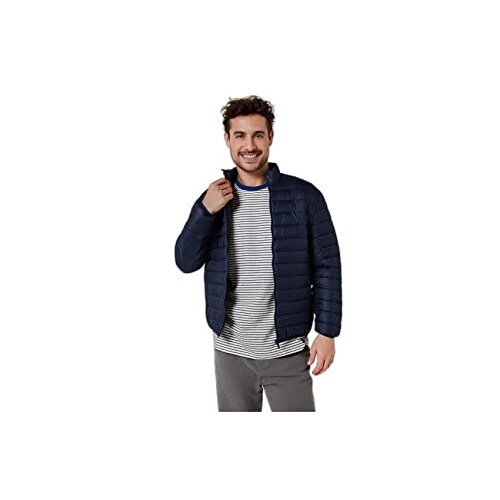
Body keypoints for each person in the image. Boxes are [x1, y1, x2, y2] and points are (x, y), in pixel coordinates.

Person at [174, 95, 342, 412]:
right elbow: (185, 261)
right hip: (230, 350)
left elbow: (327, 267)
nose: (249, 146)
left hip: (288, 350)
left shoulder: (304, 197)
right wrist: (204, 212)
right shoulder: (214, 198)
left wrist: (327, 332)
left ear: (270, 137)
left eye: (258, 135)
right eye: (240, 135)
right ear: (227, 139)